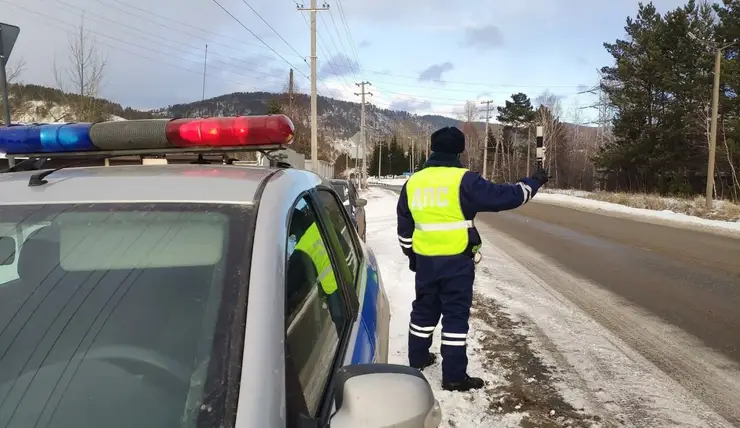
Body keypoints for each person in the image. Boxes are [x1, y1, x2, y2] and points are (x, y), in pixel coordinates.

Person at [397, 126, 549, 392]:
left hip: (426, 263)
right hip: (456, 261)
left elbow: (404, 227)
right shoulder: (465, 181)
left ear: (432, 148)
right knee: (455, 316)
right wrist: (533, 182)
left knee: (424, 309)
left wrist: (411, 255)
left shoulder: (414, 182)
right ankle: (454, 377)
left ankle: (417, 359)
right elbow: (506, 196)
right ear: (460, 150)